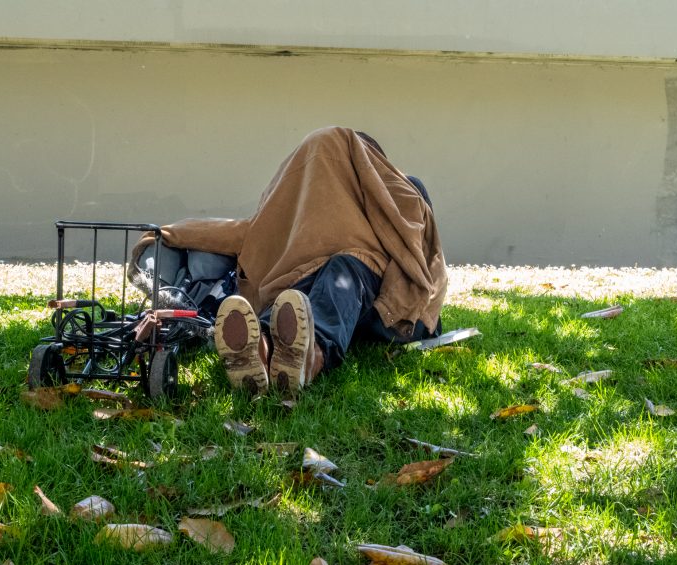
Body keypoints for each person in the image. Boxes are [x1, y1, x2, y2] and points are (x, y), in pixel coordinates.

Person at [131, 126, 447, 395]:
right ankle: (261, 350)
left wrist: (392, 293)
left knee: (346, 268)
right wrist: (170, 233)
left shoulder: (404, 189)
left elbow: (421, 260)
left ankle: (311, 360)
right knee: (299, 288)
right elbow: (253, 232)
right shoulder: (313, 220)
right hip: (317, 287)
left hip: (388, 310)